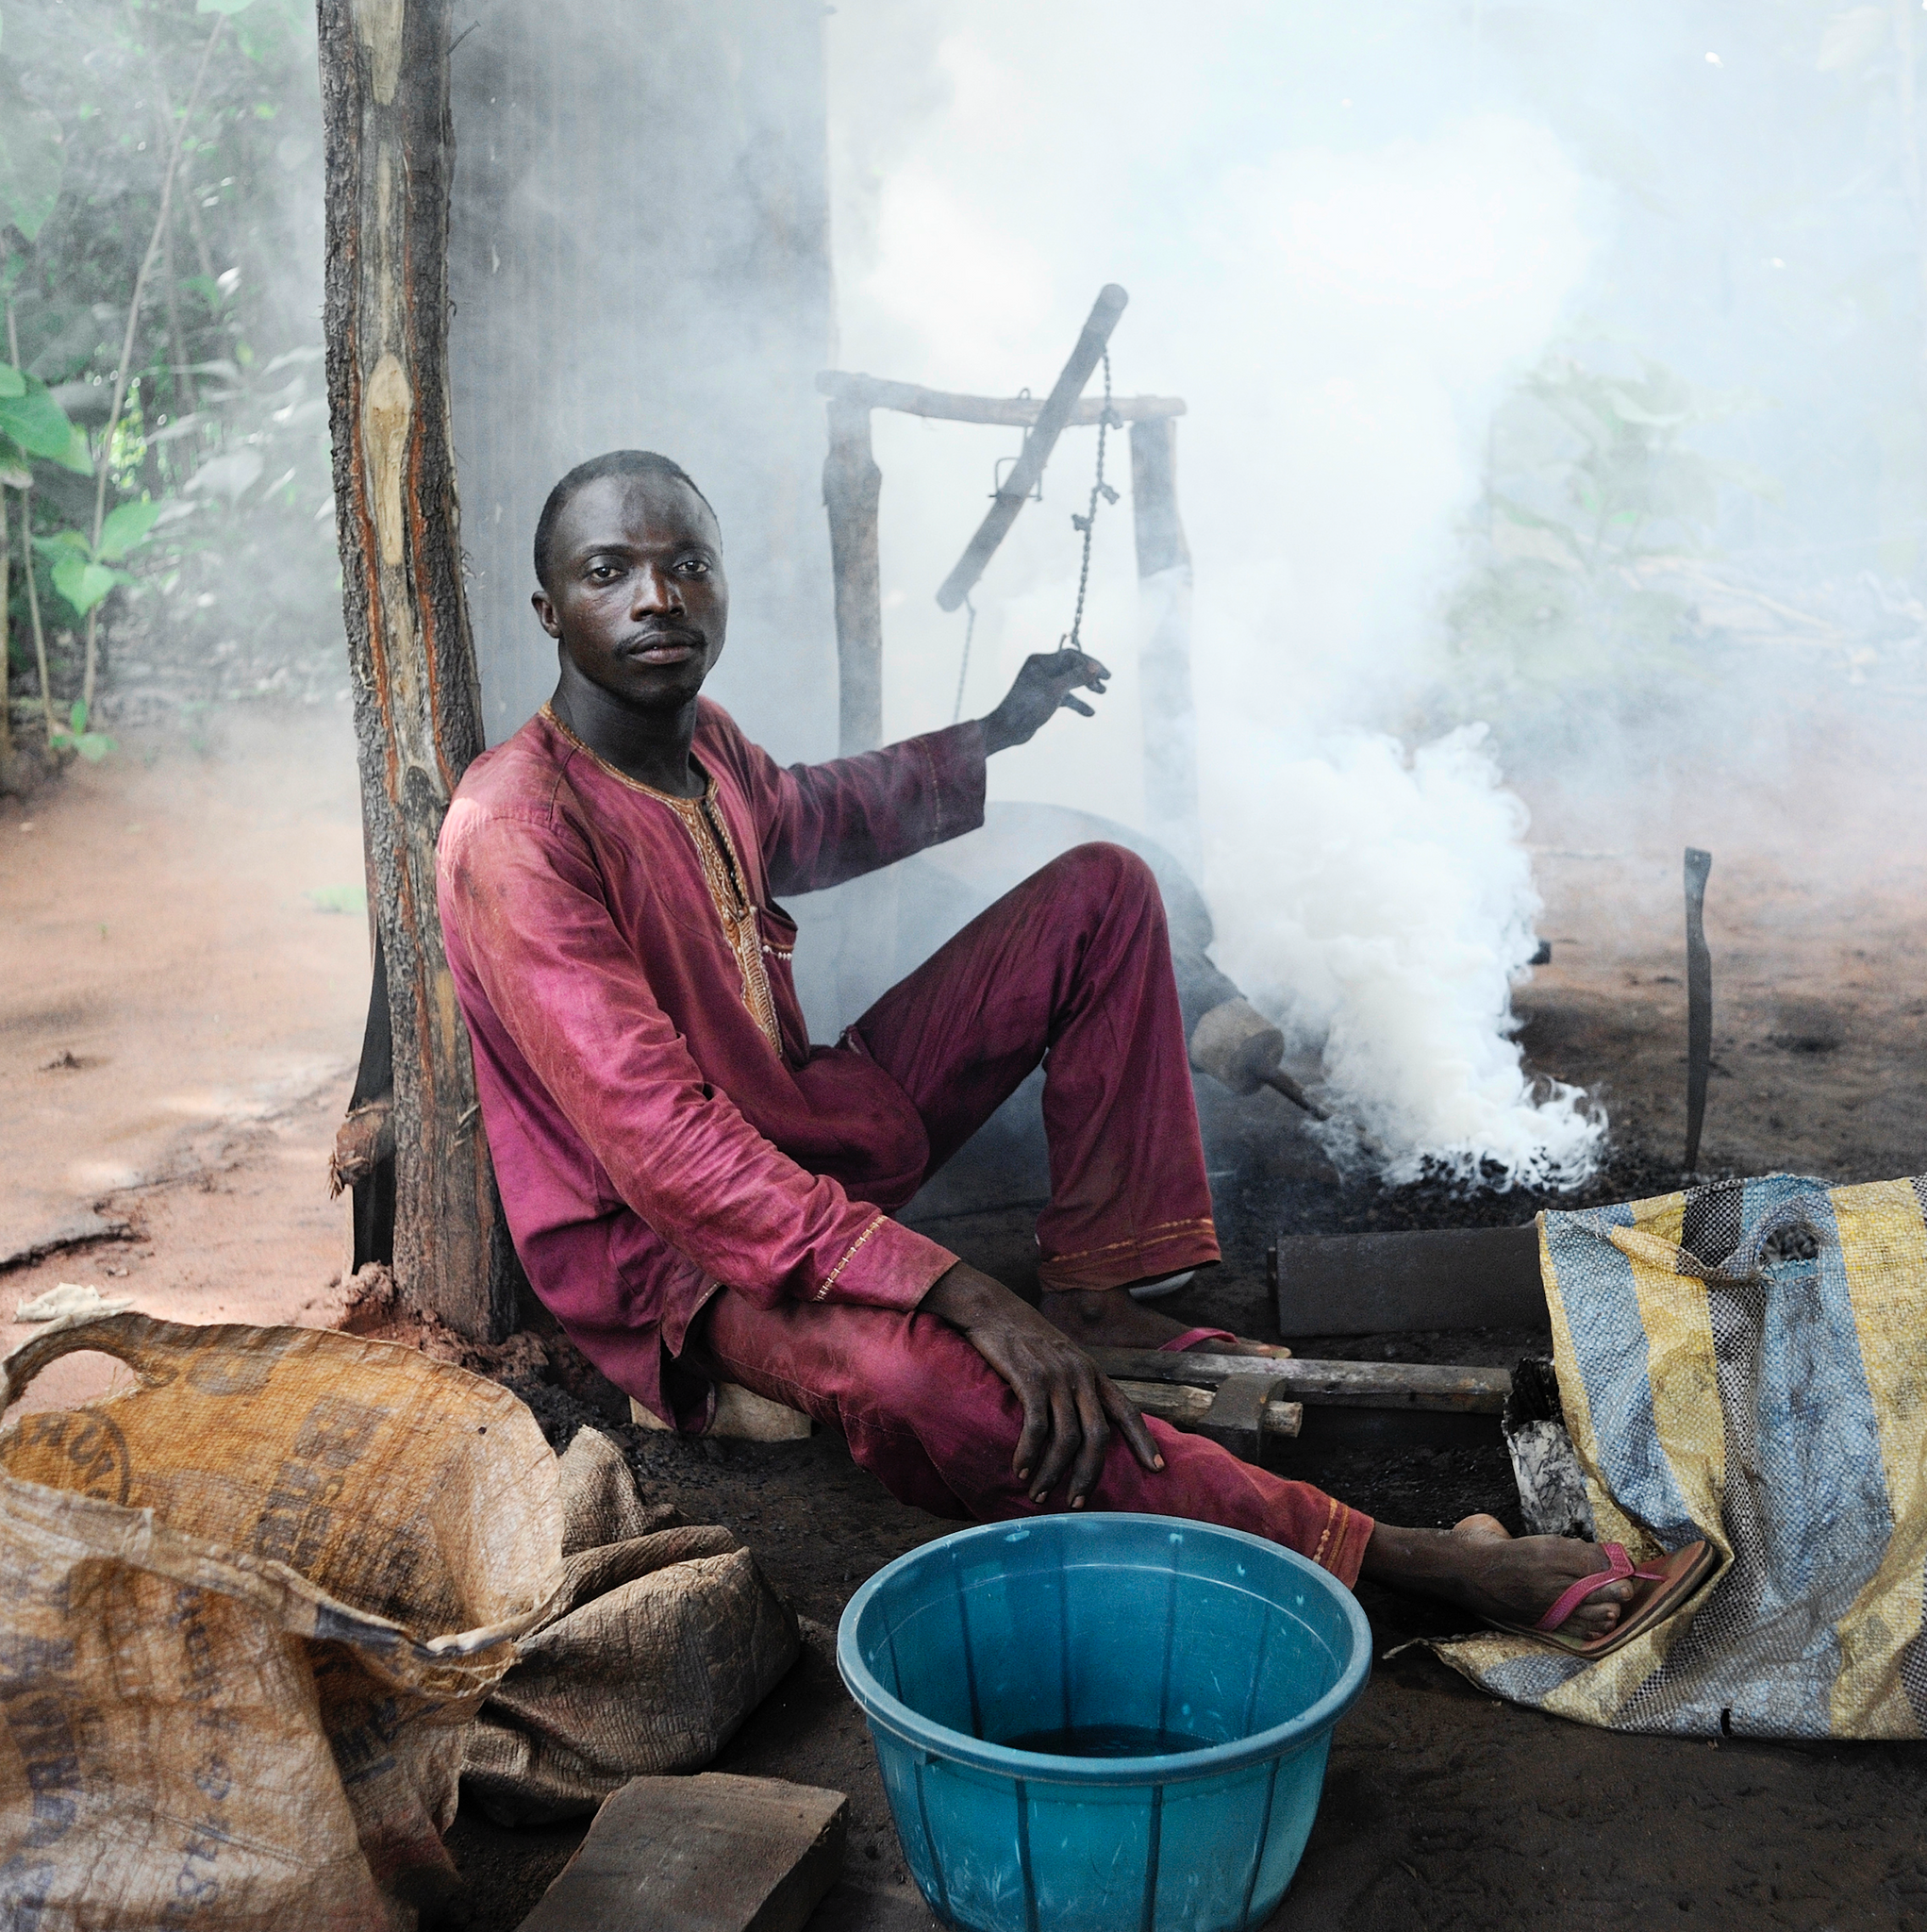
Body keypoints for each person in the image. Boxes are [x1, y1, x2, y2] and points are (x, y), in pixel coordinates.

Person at [436, 449, 1636, 1639]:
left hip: (803, 1136)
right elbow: (667, 1153)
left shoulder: (707, 749)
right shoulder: (518, 829)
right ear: (550, 609)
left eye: (686, 564)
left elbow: (817, 811)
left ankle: (1098, 1292)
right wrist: (953, 1286)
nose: (658, 598)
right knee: (925, 1381)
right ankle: (1397, 1559)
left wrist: (992, 733)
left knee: (1105, 893)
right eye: (611, 572)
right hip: (680, 1253)